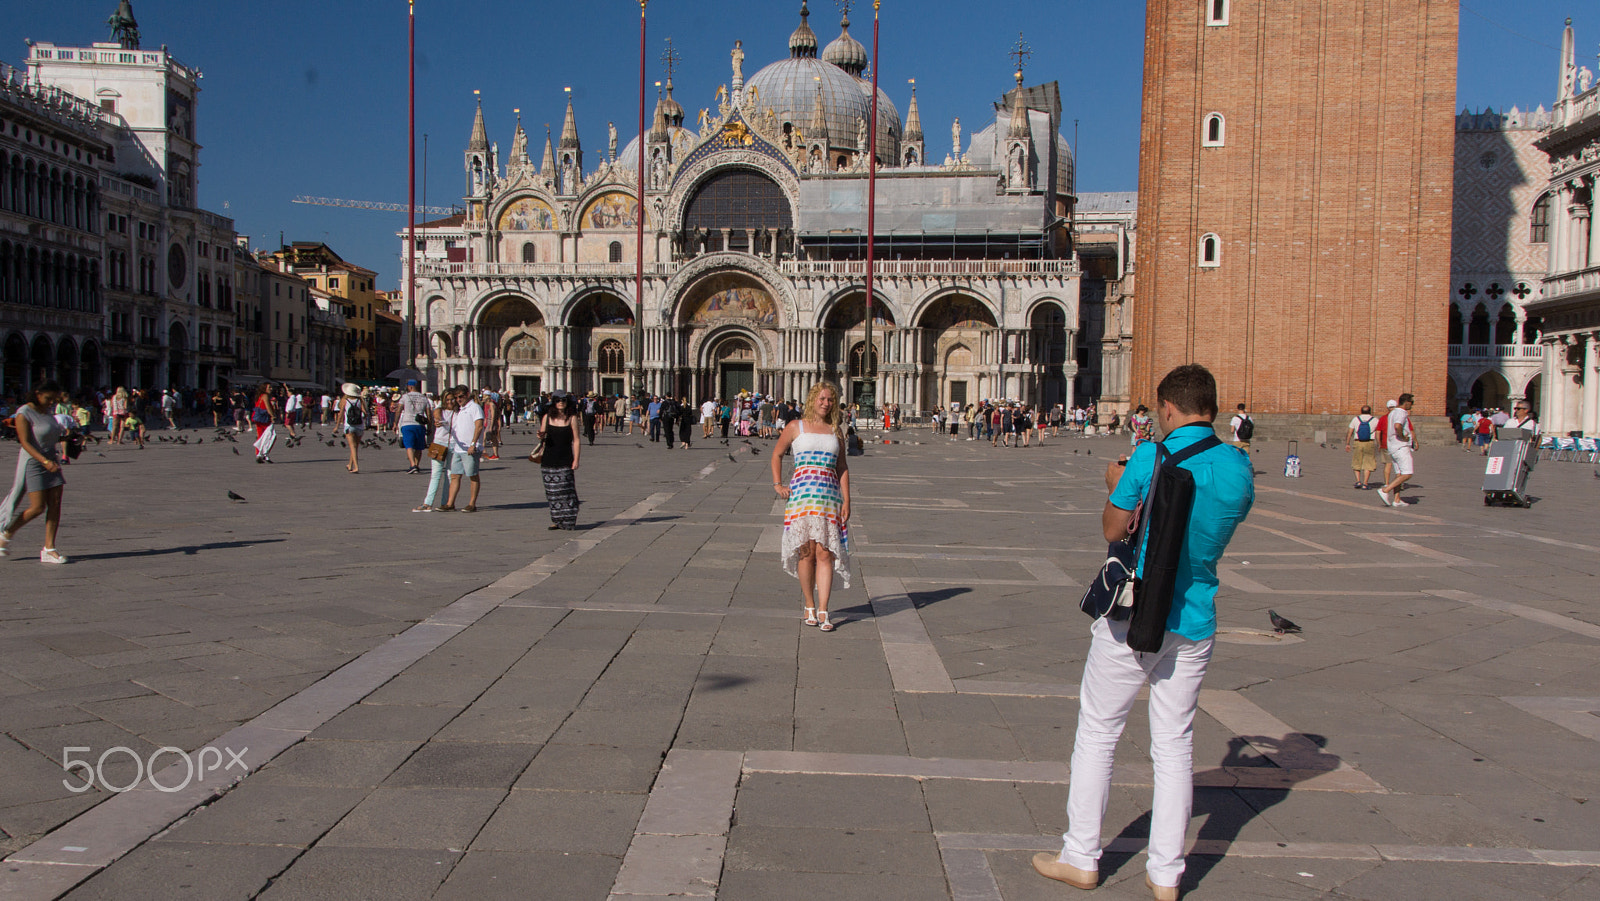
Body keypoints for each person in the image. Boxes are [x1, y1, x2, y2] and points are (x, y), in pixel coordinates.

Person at [1032, 364, 1253, 901]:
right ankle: (1166, 875)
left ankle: (1081, 856)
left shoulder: (1152, 457)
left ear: (1168, 410)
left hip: (1133, 616)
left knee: (1099, 733)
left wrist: (1116, 484)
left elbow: (1113, 528)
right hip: (1195, 620)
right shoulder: (1239, 468)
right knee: (1175, 745)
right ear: (1213, 408)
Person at [771, 380, 852, 633]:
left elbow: (842, 467)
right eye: (822, 399)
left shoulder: (835, 430)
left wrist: (847, 499)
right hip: (802, 499)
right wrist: (778, 484)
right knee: (806, 552)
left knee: (825, 553)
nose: (826, 403)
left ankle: (824, 609)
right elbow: (776, 454)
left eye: (830, 400)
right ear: (813, 399)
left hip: (829, 499)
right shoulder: (796, 426)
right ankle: (809, 604)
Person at [1, 381, 72, 564]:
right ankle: (6, 533)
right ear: (38, 393)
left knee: (55, 504)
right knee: (37, 507)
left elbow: (50, 434)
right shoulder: (24, 412)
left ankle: (49, 548)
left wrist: (67, 438)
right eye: (48, 399)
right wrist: (44, 462)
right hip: (34, 462)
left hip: (51, 460)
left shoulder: (46, 411)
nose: (51, 403)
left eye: (54, 400)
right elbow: (25, 442)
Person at [537, 392, 582, 529]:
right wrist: (540, 436)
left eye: (563, 400)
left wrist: (576, 459)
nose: (561, 403)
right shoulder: (547, 418)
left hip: (565, 458)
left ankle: (569, 519)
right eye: (558, 400)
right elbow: (542, 435)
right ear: (553, 403)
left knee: (566, 491)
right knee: (552, 493)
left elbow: (576, 440)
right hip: (549, 459)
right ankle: (556, 520)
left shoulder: (572, 418)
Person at [415, 391, 457, 512]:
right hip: (439, 443)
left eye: (452, 399)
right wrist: (438, 420)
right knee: (435, 474)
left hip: (454, 445)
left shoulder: (459, 412)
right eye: (447, 399)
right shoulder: (440, 410)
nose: (450, 402)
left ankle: (446, 503)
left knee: (449, 475)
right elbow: (437, 415)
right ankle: (428, 503)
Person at [445, 385, 484, 512]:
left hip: (470, 448)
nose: (458, 399)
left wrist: (473, 444)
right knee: (455, 475)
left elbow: (479, 426)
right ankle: (450, 503)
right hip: (458, 448)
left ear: (467, 394)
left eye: (461, 396)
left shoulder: (475, 407)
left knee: (473, 475)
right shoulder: (460, 409)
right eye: (456, 397)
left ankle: (472, 503)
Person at [1377, 393, 1416, 508]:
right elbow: (1398, 426)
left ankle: (1397, 499)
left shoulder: (1392, 413)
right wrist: (1403, 437)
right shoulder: (1401, 412)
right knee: (1408, 473)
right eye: (1412, 403)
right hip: (1401, 447)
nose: (1412, 406)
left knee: (1399, 474)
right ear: (1407, 402)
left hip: (1392, 447)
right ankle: (1385, 490)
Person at [396, 380, 433, 474]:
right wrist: (429, 426)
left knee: (409, 446)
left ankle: (412, 465)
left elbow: (398, 410)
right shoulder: (424, 398)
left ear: (410, 387)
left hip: (407, 423)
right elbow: (429, 413)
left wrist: (395, 423)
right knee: (419, 447)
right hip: (420, 425)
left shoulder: (405, 397)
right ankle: (416, 464)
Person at [1345, 405, 1379, 489]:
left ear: (1361, 411)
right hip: (1369, 442)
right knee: (1368, 462)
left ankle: (1358, 481)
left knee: (1356, 461)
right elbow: (1378, 433)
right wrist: (1379, 444)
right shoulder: (1375, 420)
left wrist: (1347, 443)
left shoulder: (1356, 419)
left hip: (1358, 442)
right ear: (1370, 411)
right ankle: (1365, 483)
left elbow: (1350, 432)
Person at [338, 383, 365, 473]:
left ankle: (356, 467)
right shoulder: (360, 400)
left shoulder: (345, 400)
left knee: (352, 447)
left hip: (349, 426)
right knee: (355, 447)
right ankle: (350, 465)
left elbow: (341, 413)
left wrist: (337, 426)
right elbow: (365, 412)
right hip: (360, 426)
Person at [251, 382, 278, 463]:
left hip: (259, 419)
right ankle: (264, 453)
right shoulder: (265, 396)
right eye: (269, 387)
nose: (271, 389)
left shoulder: (259, 396)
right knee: (271, 436)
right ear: (264, 388)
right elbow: (268, 407)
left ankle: (259, 454)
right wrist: (273, 416)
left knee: (260, 436)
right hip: (264, 419)